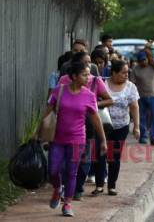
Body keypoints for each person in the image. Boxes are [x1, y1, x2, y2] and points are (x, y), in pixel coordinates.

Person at [34, 62, 107, 217]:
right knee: (53, 170)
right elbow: (46, 113)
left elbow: (95, 119)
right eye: (85, 75)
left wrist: (103, 140)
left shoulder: (89, 95)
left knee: (72, 172)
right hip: (58, 139)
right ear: (74, 76)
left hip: (77, 139)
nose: (88, 78)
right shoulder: (58, 91)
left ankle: (67, 204)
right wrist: (36, 132)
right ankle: (57, 188)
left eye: (89, 74)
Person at [58, 52, 113, 200]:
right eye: (85, 62)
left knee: (85, 160)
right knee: (66, 160)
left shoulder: (95, 81)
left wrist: (92, 105)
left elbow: (109, 100)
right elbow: (56, 100)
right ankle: (65, 187)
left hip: (88, 125)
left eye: (90, 63)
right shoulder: (64, 80)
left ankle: (77, 189)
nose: (89, 66)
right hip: (66, 126)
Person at [92, 60, 140, 196]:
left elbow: (134, 107)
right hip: (102, 125)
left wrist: (136, 127)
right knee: (100, 154)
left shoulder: (131, 87)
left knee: (114, 156)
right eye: (123, 72)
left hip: (121, 127)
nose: (126, 75)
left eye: (127, 72)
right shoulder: (103, 83)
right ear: (113, 73)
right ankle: (99, 185)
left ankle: (112, 186)